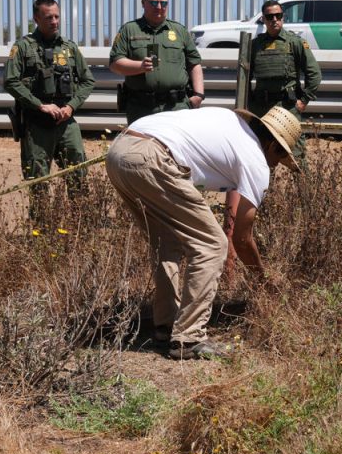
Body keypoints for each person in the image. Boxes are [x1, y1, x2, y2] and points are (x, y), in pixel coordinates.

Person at [105, 106, 301, 360]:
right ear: (273, 145)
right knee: (213, 245)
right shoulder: (255, 159)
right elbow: (241, 240)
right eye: (280, 157)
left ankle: (165, 326)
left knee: (167, 241)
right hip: (153, 157)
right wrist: (262, 279)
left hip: (120, 151)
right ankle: (189, 337)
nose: (276, 165)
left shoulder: (229, 122)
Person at [3, 0, 94, 214]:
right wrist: (40, 105)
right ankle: (42, 230)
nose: (54, 21)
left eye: (56, 17)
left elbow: (88, 80)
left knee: (78, 175)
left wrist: (71, 106)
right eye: (48, 17)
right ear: (36, 18)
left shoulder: (69, 47)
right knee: (38, 180)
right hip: (37, 124)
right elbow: (10, 81)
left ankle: (81, 222)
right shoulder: (23, 47)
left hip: (66, 122)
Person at [109, 0, 205, 124]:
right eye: (154, 3)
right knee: (143, 146)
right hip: (141, 108)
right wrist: (140, 66)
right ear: (143, 2)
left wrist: (198, 94)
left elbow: (194, 63)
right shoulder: (129, 30)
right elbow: (115, 64)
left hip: (176, 107)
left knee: (175, 146)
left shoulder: (179, 31)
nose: (159, 7)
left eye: (164, 3)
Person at [246, 0, 321, 161]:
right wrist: (249, 104)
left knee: (297, 155)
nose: (274, 20)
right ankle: (267, 187)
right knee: (261, 156)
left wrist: (304, 100)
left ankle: (304, 187)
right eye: (270, 16)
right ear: (263, 19)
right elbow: (245, 76)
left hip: (287, 108)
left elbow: (314, 74)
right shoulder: (255, 45)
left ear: (283, 17)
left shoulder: (295, 42)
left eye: (278, 16)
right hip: (261, 109)